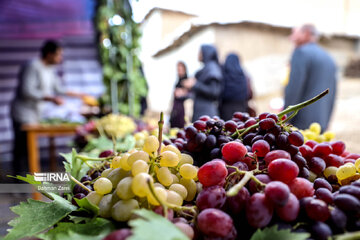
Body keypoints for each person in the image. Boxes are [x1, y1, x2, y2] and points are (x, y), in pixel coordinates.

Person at [11, 40, 86, 175]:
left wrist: (79, 94)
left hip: (34, 114)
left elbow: (58, 89)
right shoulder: (33, 66)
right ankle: (17, 182)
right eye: (58, 55)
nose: (60, 58)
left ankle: (27, 179)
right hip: (22, 113)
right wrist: (51, 98)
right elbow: (27, 91)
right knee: (21, 149)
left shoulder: (50, 70)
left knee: (29, 149)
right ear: (49, 54)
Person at [284, 24, 337, 131]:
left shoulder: (300, 52)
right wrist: (327, 120)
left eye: (294, 33)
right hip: (321, 122)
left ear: (306, 33)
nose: (291, 38)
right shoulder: (329, 58)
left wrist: (285, 117)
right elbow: (333, 92)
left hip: (301, 122)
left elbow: (294, 87)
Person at [183, 44, 223, 121]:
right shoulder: (206, 68)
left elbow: (214, 91)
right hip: (202, 111)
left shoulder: (212, 68)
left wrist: (195, 84)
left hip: (207, 113)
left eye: (200, 52)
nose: (198, 54)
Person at [220, 53, 248, 120]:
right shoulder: (243, 75)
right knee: (241, 127)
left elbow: (220, 92)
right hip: (242, 107)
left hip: (226, 108)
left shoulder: (223, 74)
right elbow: (248, 93)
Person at [170, 61, 189, 128]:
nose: (179, 71)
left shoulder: (187, 81)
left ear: (184, 69)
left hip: (182, 110)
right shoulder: (178, 80)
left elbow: (189, 95)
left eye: (180, 70)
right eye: (178, 70)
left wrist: (182, 93)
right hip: (176, 109)